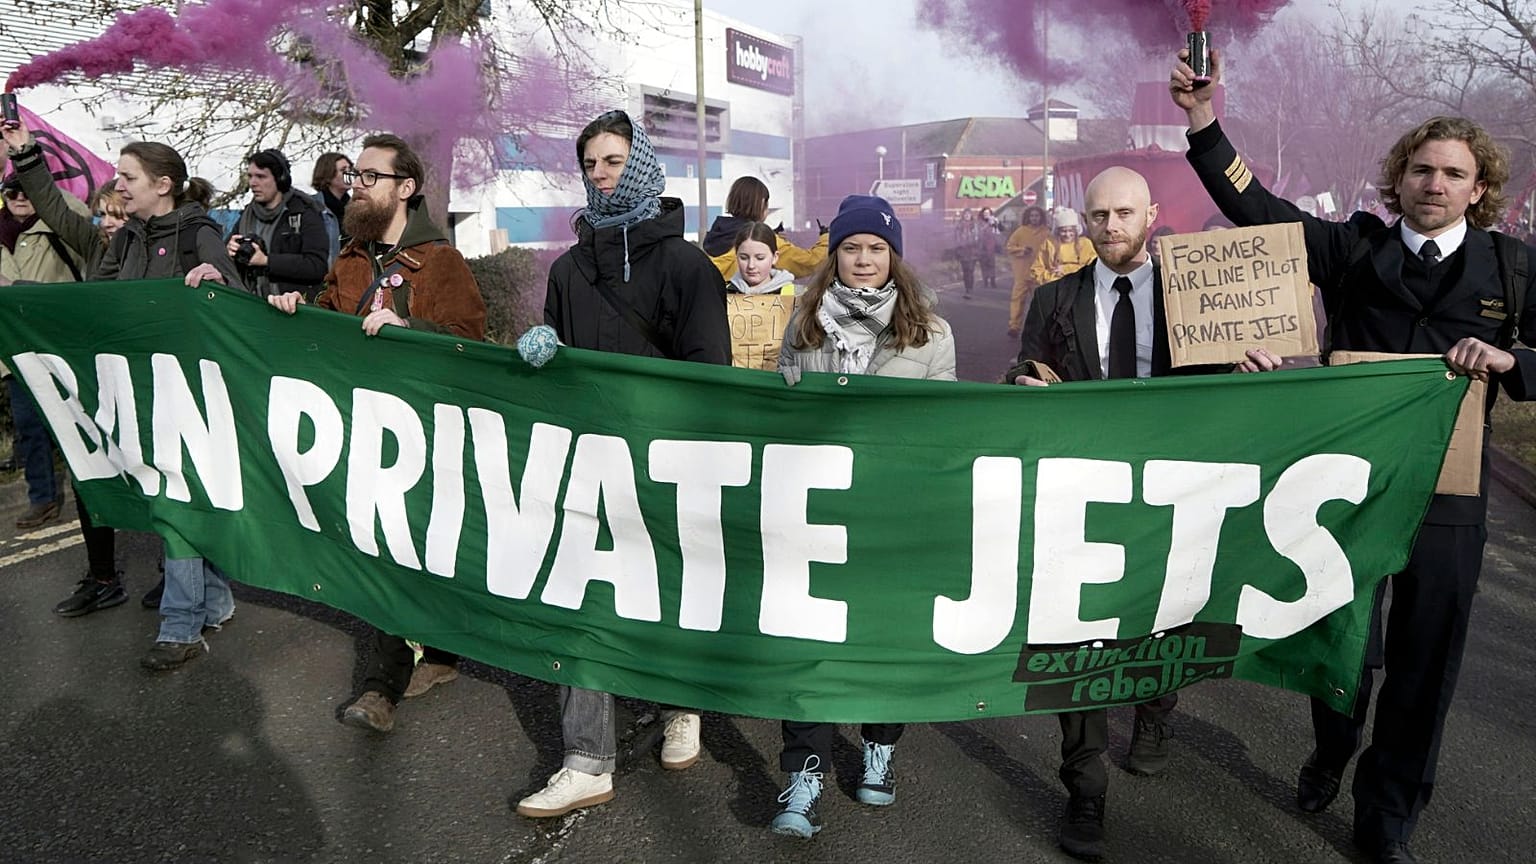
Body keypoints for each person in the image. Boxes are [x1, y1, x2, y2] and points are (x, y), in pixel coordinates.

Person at [1173, 49, 1536, 864]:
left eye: (1452, 172)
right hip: (1346, 490)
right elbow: (1255, 207)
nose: (1434, 183)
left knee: (1424, 659)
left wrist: (1517, 364)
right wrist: (1203, 122)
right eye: (1420, 169)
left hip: (1450, 492)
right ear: (1398, 179)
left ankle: (1387, 816)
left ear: (1479, 188)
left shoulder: (1513, 268)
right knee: (1342, 643)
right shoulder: (1352, 248)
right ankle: (1332, 747)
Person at [1003, 166, 1259, 861]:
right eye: (1098, 215)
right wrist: (1024, 380)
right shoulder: (1055, 297)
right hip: (1082, 493)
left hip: (1174, 490)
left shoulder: (1199, 292)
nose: (1110, 226)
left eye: (1124, 213)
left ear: (1150, 215)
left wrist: (1245, 371)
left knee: (1170, 615)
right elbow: (1023, 368)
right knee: (1074, 633)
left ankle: (1156, 709)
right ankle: (1083, 788)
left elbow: (1218, 383)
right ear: (1084, 221)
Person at [516, 110, 729, 819]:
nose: (601, 175)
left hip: (665, 463)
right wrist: (542, 348)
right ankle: (585, 759)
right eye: (591, 165)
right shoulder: (569, 267)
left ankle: (680, 705)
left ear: (638, 165)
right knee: (583, 600)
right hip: (591, 462)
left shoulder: (686, 265)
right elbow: (563, 365)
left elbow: (710, 376)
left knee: (666, 592)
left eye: (613, 161)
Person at [269, 132, 486, 728]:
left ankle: (381, 688)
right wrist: (298, 311)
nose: (354, 185)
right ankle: (436, 653)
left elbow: (471, 342)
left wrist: (408, 323)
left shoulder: (441, 262)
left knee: (403, 548)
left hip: (421, 433)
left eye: (369, 176)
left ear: (405, 188)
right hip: (362, 428)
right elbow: (333, 329)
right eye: (355, 175)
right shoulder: (351, 258)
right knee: (386, 549)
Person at [771, 194, 955, 839]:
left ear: (893, 256)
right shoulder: (803, 323)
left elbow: (943, 430)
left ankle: (879, 746)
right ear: (834, 254)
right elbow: (781, 411)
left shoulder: (931, 331)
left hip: (892, 514)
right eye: (851, 247)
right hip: (817, 512)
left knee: (884, 641)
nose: (864, 259)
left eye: (877, 248)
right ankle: (805, 775)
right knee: (809, 647)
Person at [52, 139, 244, 654]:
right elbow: (101, 299)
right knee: (175, 498)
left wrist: (215, 279)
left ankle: (180, 623)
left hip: (188, 395)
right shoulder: (128, 237)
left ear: (162, 185)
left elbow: (234, 296)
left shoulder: (199, 230)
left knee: (174, 500)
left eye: (128, 177)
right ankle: (216, 598)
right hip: (138, 392)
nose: (117, 185)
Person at [0, 173, 84, 530]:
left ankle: (93, 491)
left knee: (74, 424)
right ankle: (43, 499)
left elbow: (79, 214)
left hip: (59, 345)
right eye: (11, 191)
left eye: (26, 190)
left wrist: (43, 186)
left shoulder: (58, 223)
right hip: (15, 349)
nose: (20, 197)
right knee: (28, 428)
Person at [227, 149, 329, 300]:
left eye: (261, 177)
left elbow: (316, 266)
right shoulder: (247, 216)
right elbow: (225, 262)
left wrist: (267, 261)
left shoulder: (304, 213)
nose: (253, 183)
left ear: (280, 178)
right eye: (250, 176)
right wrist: (229, 249)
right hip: (250, 303)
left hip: (291, 307)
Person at [703, 176, 827, 280]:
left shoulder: (716, 235)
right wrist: (827, 238)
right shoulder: (765, 242)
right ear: (762, 204)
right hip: (751, 307)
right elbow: (811, 262)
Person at [1006, 205, 1050, 336]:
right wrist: (1022, 250)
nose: (1034, 218)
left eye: (1037, 216)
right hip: (1022, 273)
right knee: (1017, 300)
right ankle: (1014, 326)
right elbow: (1009, 247)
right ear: (1027, 217)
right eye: (1032, 216)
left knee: (1040, 302)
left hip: (1040, 274)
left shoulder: (1047, 233)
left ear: (1041, 217)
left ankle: (1043, 327)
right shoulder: (1020, 231)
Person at [726, 221, 796, 294]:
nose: (751, 265)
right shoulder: (721, 293)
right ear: (736, 256)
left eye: (760, 258)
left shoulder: (795, 295)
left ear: (775, 257)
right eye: (744, 258)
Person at [1031, 208, 1095, 288]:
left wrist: (1065, 269)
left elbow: (1092, 268)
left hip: (1079, 287)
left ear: (1076, 230)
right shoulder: (1049, 244)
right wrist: (1051, 279)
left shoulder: (1085, 244)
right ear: (1057, 231)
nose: (1067, 234)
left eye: (1070, 231)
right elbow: (1036, 269)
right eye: (1063, 231)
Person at [311, 151, 351, 264]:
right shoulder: (311, 207)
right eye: (343, 170)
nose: (349, 174)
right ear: (328, 174)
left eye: (350, 169)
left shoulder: (356, 209)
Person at [953, 207, 980, 298]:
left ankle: (970, 289)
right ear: (963, 215)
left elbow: (978, 238)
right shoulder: (959, 225)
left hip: (973, 252)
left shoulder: (975, 225)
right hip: (963, 251)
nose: (967, 216)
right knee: (965, 271)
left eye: (968, 214)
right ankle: (967, 289)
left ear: (971, 215)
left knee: (970, 270)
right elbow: (956, 238)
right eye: (965, 214)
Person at [977, 205, 1002, 291]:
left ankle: (992, 280)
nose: (986, 214)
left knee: (991, 264)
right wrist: (988, 224)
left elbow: (1000, 231)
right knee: (983, 264)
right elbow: (979, 232)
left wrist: (996, 223)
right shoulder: (979, 222)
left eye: (988, 213)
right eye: (985, 213)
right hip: (982, 246)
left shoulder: (994, 221)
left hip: (991, 246)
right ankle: (985, 281)